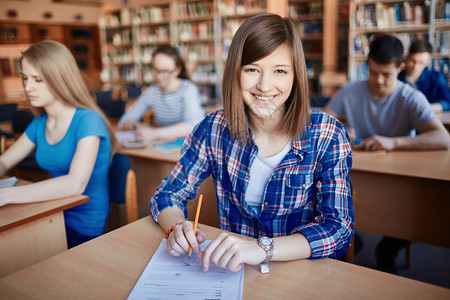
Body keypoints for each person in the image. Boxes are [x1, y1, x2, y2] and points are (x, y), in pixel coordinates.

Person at [150, 13, 354, 273]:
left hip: (300, 275)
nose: (264, 86)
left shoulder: (328, 134)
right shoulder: (214, 129)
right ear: (236, 72)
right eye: (252, 70)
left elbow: (338, 230)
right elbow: (167, 194)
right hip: (232, 273)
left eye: (280, 71)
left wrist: (262, 249)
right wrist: (176, 227)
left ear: (296, 76)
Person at [325, 34, 450, 273]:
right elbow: (324, 120)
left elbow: (443, 138)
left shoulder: (411, 97)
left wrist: (392, 143)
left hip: (401, 183)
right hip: (358, 175)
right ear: (367, 65)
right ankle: (350, 241)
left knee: (422, 216)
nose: (379, 81)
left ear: (400, 67)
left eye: (387, 74)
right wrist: (339, 130)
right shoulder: (351, 90)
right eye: (373, 73)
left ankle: (387, 250)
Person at [0, 40, 117, 248]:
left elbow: (75, 184)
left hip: (84, 227)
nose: (28, 87)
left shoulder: (88, 120)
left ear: (60, 79)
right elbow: (5, 161)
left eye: (38, 79)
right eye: (25, 78)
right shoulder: (39, 123)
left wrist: (6, 195)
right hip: (51, 213)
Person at [118, 44, 204, 141]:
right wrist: (139, 127)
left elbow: (193, 125)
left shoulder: (188, 89)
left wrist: (154, 133)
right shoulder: (153, 92)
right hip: (166, 145)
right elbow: (124, 121)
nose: (159, 76)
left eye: (165, 71)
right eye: (156, 70)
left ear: (177, 70)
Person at [398, 39, 450, 113]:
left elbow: (447, 103)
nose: (415, 66)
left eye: (421, 62)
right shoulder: (397, 78)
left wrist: (424, 108)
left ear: (427, 63)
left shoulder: (436, 77)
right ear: (407, 57)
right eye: (413, 61)